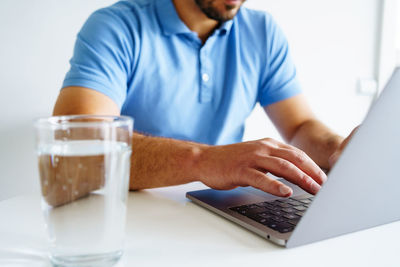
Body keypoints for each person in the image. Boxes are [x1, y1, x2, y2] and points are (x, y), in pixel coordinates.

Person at [53, 0, 354, 198]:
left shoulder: (261, 31)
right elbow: (80, 145)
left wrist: (341, 151)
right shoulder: (117, 26)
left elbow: (300, 125)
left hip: (222, 212)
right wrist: (205, 160)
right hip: (132, 211)